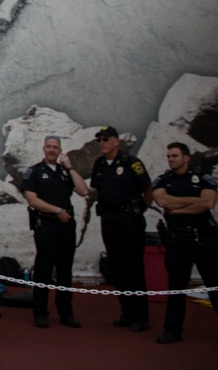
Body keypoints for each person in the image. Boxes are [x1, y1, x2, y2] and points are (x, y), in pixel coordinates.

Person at [153, 142, 218, 346]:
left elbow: (208, 203)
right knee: (175, 289)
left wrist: (178, 206)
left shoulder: (203, 178)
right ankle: (173, 330)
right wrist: (193, 202)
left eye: (175, 156)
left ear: (186, 158)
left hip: (205, 240)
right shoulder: (163, 179)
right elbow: (162, 202)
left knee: (217, 289)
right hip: (178, 242)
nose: (171, 159)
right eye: (169, 156)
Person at [21, 135, 89, 329]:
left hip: (66, 227)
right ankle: (40, 313)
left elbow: (84, 191)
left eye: (55, 147)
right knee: (43, 269)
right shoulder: (34, 171)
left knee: (65, 270)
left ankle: (66, 312)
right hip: (47, 225)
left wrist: (70, 167)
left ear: (60, 150)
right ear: (44, 148)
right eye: (49, 147)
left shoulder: (65, 172)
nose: (52, 150)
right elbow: (32, 200)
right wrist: (57, 211)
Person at [90, 125, 152, 332]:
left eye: (106, 139)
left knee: (133, 266)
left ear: (117, 141)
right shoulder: (99, 164)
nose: (102, 143)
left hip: (129, 219)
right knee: (117, 267)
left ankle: (141, 316)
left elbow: (147, 190)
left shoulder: (131, 163)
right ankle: (127, 312)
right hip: (109, 219)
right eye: (100, 140)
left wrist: (138, 210)